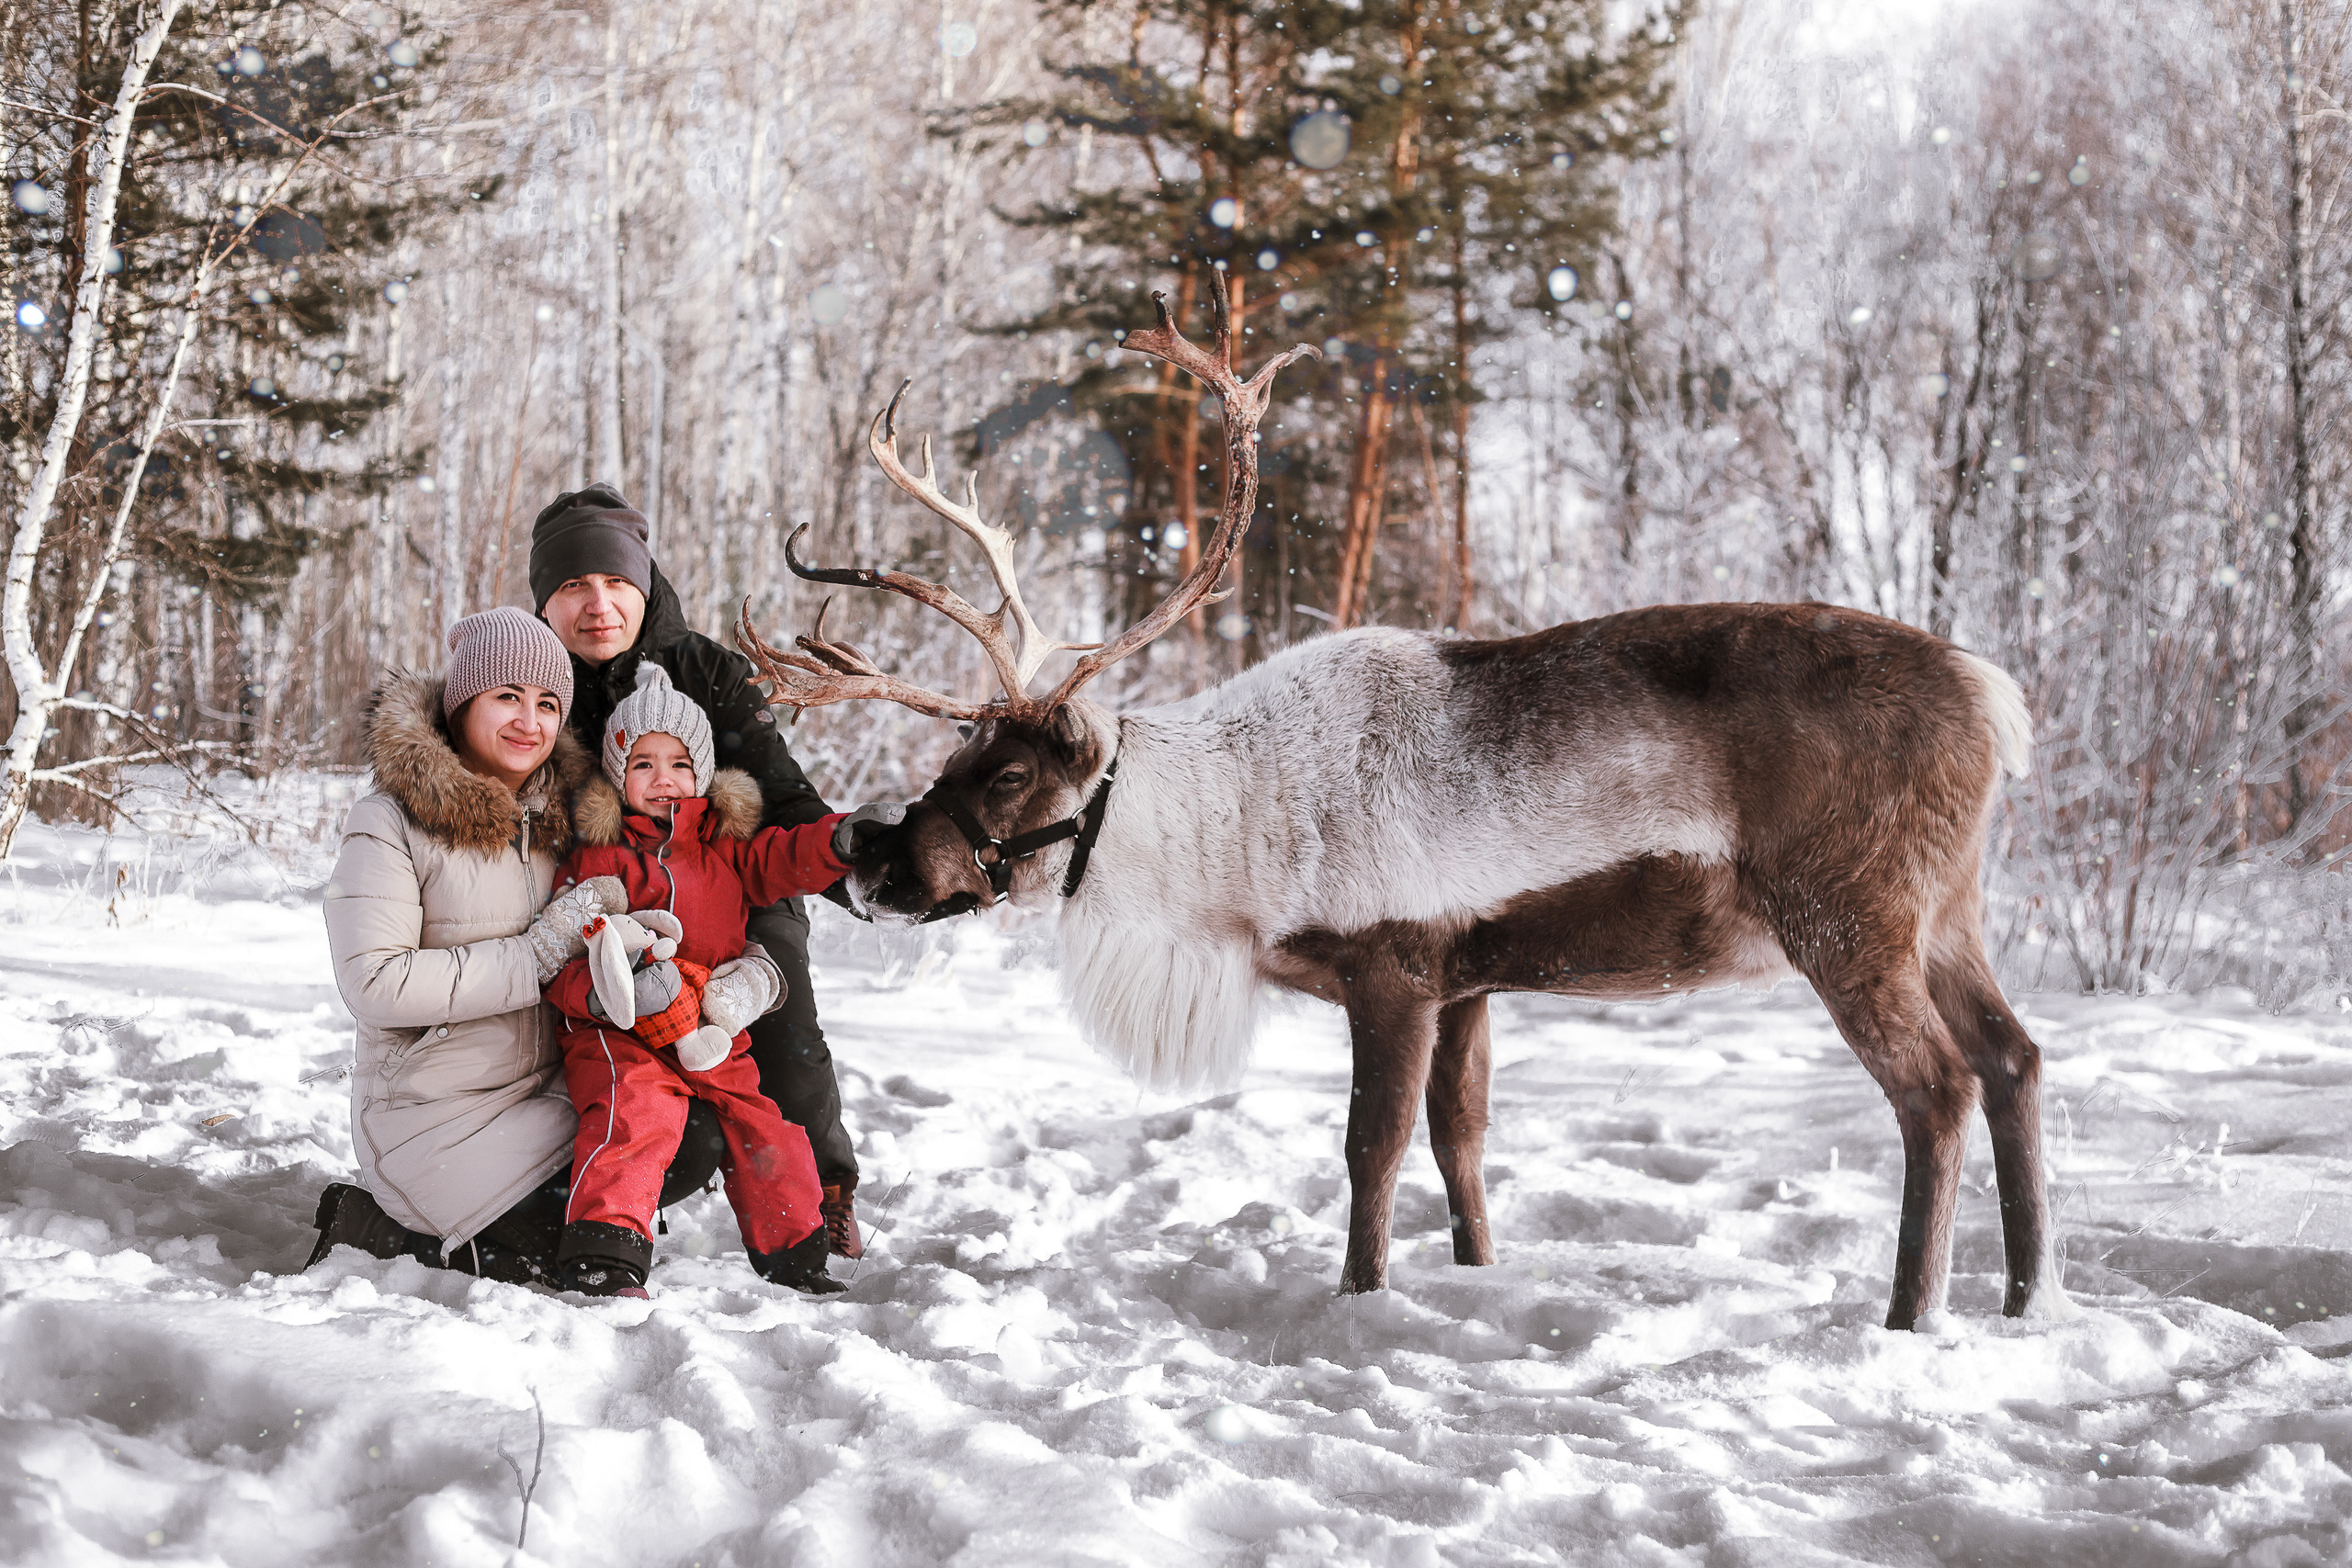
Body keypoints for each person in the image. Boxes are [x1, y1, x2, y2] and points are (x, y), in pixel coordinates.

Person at [529, 483, 880, 1256]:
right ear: (544, 602)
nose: (598, 604)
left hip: (732, 880)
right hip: (609, 899)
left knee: (783, 1024)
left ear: (644, 583)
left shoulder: (707, 670)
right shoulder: (535, 683)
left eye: (616, 580)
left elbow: (784, 798)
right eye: (573, 584)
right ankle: (593, 1187)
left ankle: (825, 1194)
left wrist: (858, 868)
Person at [311, 607, 649, 1280]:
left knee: (676, 1141)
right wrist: (535, 955)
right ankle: (373, 1227)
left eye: (548, 703)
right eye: (507, 696)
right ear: (463, 703)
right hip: (432, 1120)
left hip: (548, 1095)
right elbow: (375, 984)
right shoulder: (388, 820)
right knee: (562, 1249)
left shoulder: (568, 822)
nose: (530, 721)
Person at [538, 664, 888, 1297]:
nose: (662, 779)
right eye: (643, 764)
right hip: (621, 1033)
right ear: (617, 774)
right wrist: (600, 997)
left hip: (709, 1031)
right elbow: (562, 951)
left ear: (700, 773)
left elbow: (785, 858)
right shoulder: (599, 856)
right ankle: (604, 1253)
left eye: (679, 764)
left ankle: (797, 1255)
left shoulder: (724, 851)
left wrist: (838, 841)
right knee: (636, 1115)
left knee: (766, 1126)